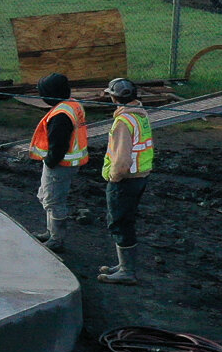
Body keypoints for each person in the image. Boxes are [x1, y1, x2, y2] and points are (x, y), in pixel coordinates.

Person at [96, 77, 154, 284]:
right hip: (140, 176)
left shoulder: (123, 122)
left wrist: (114, 176)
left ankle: (127, 271)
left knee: (119, 222)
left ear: (114, 97)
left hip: (125, 179)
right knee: (126, 220)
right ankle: (123, 265)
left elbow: (121, 158)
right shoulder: (140, 114)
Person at [25, 73, 88, 251]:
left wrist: (51, 161)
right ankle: (50, 232)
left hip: (60, 164)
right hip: (68, 162)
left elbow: (58, 144)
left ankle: (56, 239)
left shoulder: (60, 115)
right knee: (47, 196)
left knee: (54, 201)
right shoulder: (72, 105)